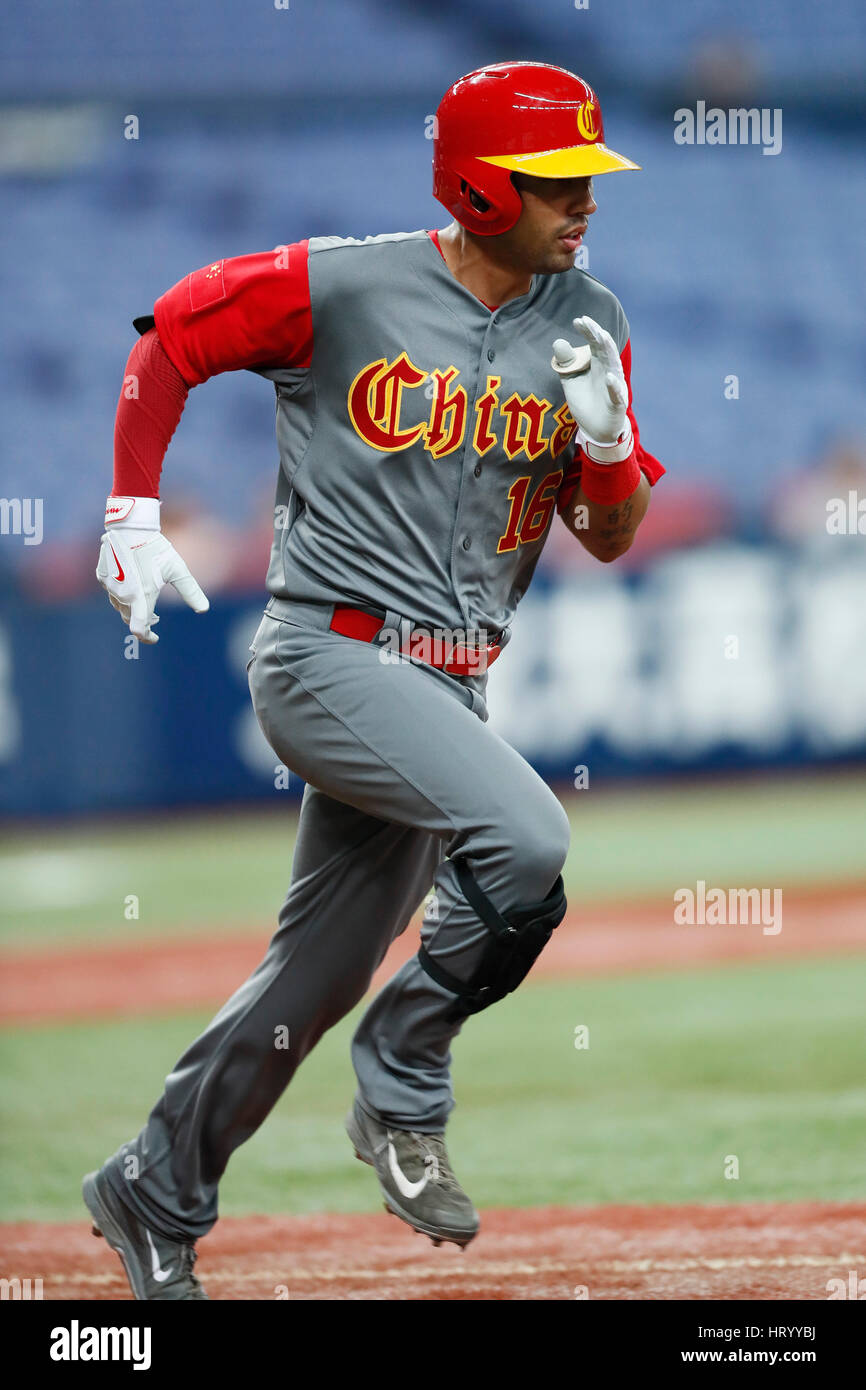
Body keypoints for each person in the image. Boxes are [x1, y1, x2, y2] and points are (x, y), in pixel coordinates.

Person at [86, 61, 664, 1300]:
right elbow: (175, 328)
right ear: (474, 182)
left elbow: (609, 537)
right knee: (523, 839)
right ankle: (402, 1089)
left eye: (586, 177)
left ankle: (153, 1185)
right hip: (327, 653)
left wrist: (608, 448)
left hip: (446, 689)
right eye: (555, 178)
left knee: (310, 980)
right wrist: (132, 506)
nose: (583, 200)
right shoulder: (345, 283)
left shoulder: (589, 317)